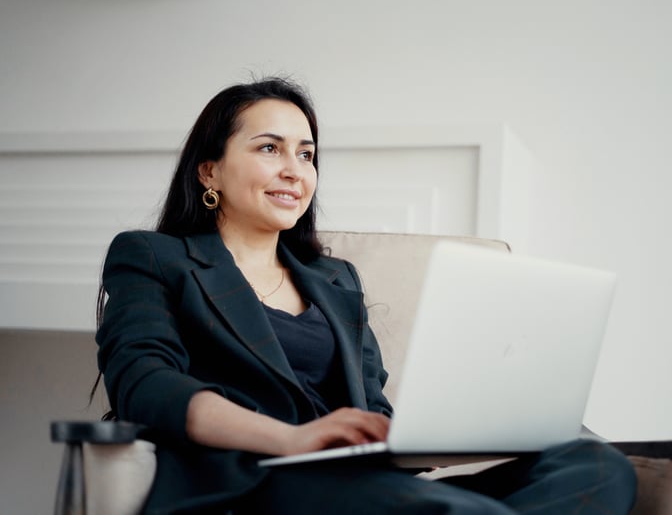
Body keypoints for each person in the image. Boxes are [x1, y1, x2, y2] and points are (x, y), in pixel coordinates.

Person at [95, 76, 637, 514]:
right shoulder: (152, 257)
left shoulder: (337, 280)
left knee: (595, 468)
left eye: (307, 155)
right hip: (254, 483)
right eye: (269, 148)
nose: (294, 171)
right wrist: (292, 439)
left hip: (367, 485)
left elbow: (372, 406)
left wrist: (446, 423)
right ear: (210, 169)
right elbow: (146, 383)